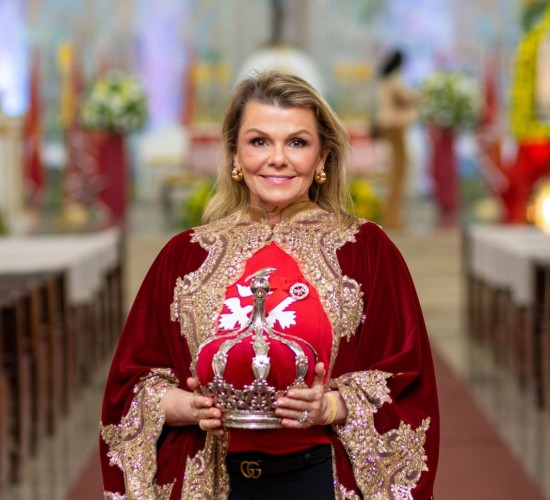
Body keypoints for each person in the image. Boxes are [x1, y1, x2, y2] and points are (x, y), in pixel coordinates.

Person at [100, 70, 439, 499]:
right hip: (208, 479)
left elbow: (407, 380)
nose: (277, 159)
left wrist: (330, 406)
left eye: (297, 142)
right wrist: (181, 407)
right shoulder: (184, 255)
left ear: (322, 159)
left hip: (321, 480)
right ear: (235, 156)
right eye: (259, 141)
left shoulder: (367, 251)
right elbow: (129, 385)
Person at [372, 49, 419, 229]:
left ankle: (393, 216)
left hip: (389, 126)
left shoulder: (385, 80)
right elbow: (405, 99)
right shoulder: (395, 80)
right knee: (398, 173)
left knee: (395, 172)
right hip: (395, 127)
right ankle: (393, 218)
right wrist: (419, 97)